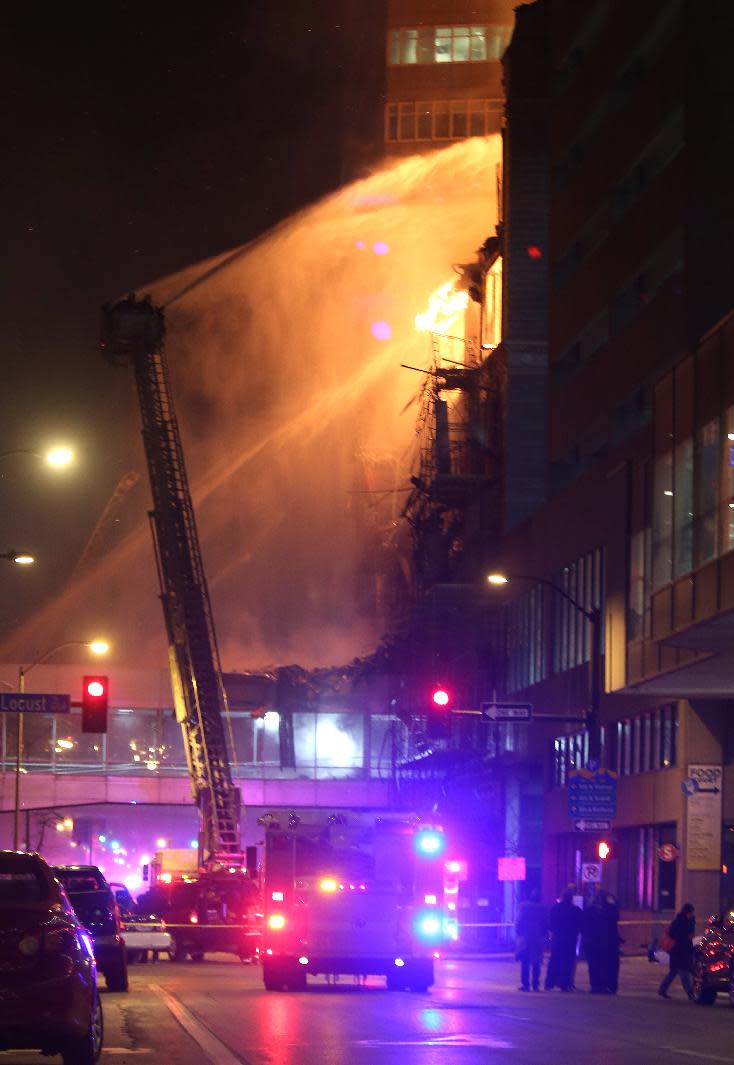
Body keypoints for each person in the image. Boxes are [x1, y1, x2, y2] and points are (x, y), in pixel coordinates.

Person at [582, 889, 622, 993]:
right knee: (610, 965)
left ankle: (596, 985)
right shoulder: (610, 910)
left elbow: (585, 926)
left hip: (593, 942)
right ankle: (609, 985)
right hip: (608, 942)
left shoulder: (589, 910)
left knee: (594, 965)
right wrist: (613, 902)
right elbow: (616, 917)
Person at [545, 886, 582, 991]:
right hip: (570, 939)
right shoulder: (575, 910)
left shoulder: (555, 909)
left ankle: (550, 983)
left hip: (557, 938)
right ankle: (565, 983)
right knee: (568, 961)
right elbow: (579, 925)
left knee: (554, 960)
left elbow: (550, 924)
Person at [658, 903, 695, 999]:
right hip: (679, 951)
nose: (691, 914)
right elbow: (675, 934)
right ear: (687, 912)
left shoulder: (686, 921)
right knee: (684, 972)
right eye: (690, 912)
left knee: (674, 971)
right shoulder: (680, 921)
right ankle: (690, 992)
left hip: (679, 950)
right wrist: (684, 939)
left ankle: (662, 989)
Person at [515, 888, 548, 991]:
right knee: (536, 962)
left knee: (525, 962)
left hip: (526, 938)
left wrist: (518, 933)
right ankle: (535, 984)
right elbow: (545, 923)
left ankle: (526, 984)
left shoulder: (524, 906)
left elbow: (519, 921)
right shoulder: (542, 908)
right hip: (537, 938)